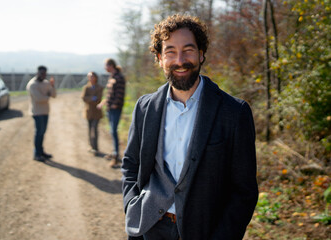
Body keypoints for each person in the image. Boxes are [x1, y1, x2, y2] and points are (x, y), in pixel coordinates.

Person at [121, 14, 258, 240]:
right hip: (149, 228)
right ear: (159, 58)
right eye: (170, 52)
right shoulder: (145, 108)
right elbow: (131, 165)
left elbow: (244, 191)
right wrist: (132, 206)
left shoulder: (234, 112)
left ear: (201, 54)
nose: (180, 60)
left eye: (188, 50)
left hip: (206, 231)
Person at [97, 59, 126, 168]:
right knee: (112, 131)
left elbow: (120, 93)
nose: (105, 68)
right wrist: (103, 103)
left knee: (113, 131)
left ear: (111, 65)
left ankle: (116, 156)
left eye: (106, 66)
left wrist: (114, 104)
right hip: (109, 108)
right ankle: (114, 152)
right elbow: (109, 93)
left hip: (115, 109)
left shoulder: (119, 78)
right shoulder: (112, 77)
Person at [26, 66, 56, 162]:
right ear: (37, 73)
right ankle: (37, 154)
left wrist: (52, 86)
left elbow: (54, 95)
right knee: (39, 133)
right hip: (37, 112)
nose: (43, 75)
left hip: (45, 111)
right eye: (41, 73)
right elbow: (39, 99)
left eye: (44, 73)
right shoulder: (32, 84)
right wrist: (47, 95)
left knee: (42, 133)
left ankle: (41, 152)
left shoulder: (46, 83)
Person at [81, 72, 103, 155]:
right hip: (88, 112)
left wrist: (90, 99)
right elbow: (83, 98)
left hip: (97, 112)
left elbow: (99, 99)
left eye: (92, 76)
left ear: (95, 77)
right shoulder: (86, 87)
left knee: (95, 129)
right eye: (89, 77)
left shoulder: (100, 87)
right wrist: (92, 98)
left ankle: (96, 147)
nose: (91, 78)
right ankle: (91, 145)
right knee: (90, 129)